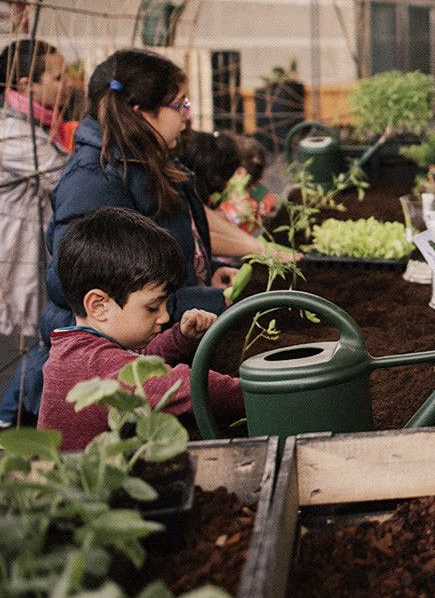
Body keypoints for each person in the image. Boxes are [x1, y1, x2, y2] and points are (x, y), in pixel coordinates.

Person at [5, 49, 289, 426]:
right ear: (142, 113)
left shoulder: (147, 159)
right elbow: (73, 278)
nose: (186, 116)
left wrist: (207, 269)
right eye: (179, 105)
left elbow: (172, 237)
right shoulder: (94, 180)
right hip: (114, 371)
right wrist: (193, 297)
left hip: (152, 343)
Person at [39, 207, 243, 451]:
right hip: (84, 487)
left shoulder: (77, 346)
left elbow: (136, 364)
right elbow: (191, 387)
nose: (165, 316)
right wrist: (253, 391)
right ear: (99, 305)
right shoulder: (93, 363)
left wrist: (179, 337)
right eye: (153, 307)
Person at [0, 39, 71, 427]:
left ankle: (16, 417)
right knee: (38, 338)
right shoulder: (11, 135)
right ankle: (10, 420)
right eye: (58, 77)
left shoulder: (39, 127)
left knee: (45, 336)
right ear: (26, 84)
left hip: (33, 256)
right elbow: (66, 174)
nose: (68, 84)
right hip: (16, 257)